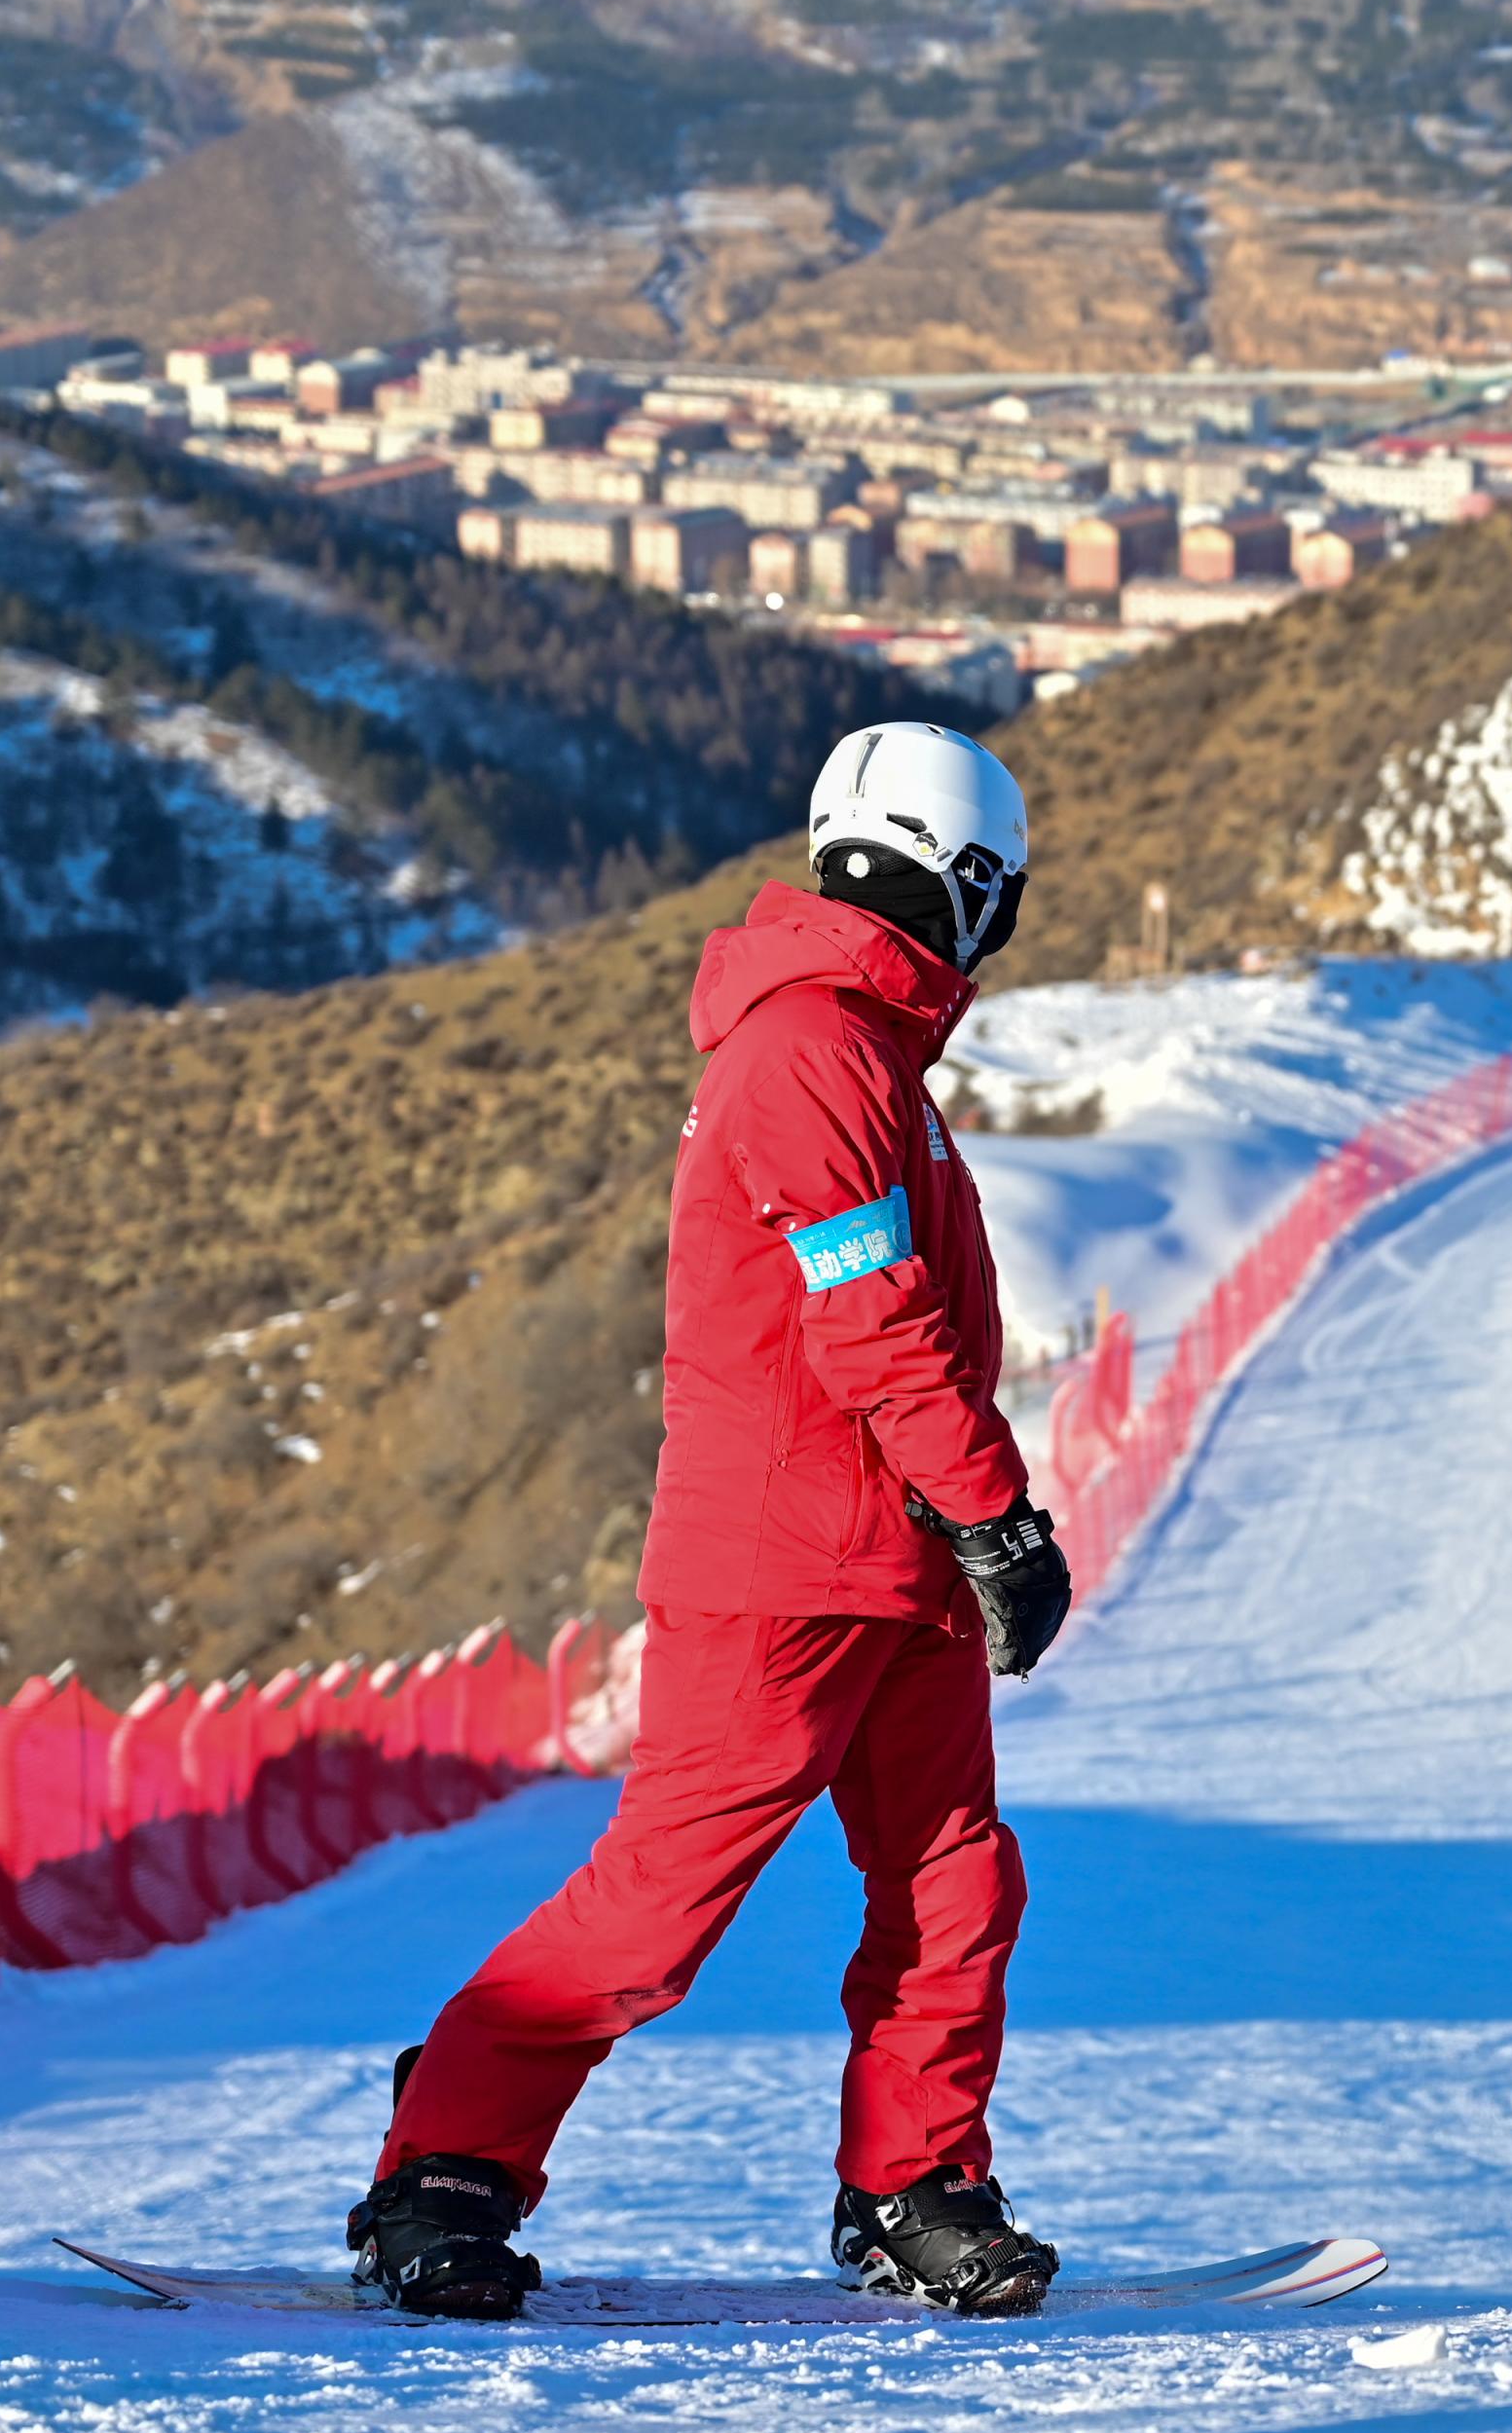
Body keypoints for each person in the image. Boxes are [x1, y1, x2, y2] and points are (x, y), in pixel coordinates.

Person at [346, 722, 1077, 2323]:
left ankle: (914, 2179)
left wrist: (968, 1532)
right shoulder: (810, 1048)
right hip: (786, 1562)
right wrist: (997, 1512)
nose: (993, 941)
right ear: (958, 883)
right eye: (997, 905)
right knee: (657, 1911)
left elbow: (912, 1327)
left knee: (955, 1886)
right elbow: (874, 1319)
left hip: (903, 1566)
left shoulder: (868, 1052)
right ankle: (446, 2160)